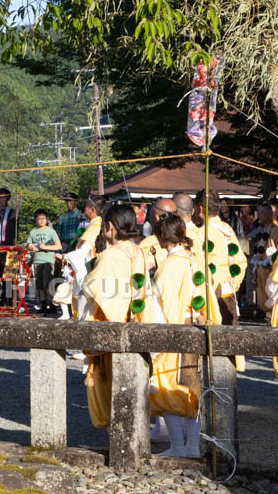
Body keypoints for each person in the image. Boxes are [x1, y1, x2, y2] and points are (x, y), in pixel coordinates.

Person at [82, 203, 156, 431]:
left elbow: (93, 289)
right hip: (136, 320)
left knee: (112, 388)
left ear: (110, 226)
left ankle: (121, 434)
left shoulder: (110, 255)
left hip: (113, 326)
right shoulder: (139, 252)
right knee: (132, 386)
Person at [150, 214, 219, 457]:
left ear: (162, 237)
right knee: (191, 390)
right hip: (195, 325)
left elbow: (161, 303)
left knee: (167, 387)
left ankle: (181, 446)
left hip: (175, 330)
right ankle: (191, 446)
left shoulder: (170, 265)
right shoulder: (193, 258)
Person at [194, 188, 248, 371]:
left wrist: (211, 290)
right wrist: (233, 283)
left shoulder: (203, 233)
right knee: (227, 350)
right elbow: (241, 262)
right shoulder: (227, 229)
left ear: (200, 208)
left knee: (215, 350)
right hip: (228, 292)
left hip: (213, 297)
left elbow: (207, 267)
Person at [56, 196, 105, 322]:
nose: (84, 210)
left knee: (86, 312)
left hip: (88, 271)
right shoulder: (95, 226)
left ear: (92, 210)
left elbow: (84, 252)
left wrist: (64, 256)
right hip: (91, 269)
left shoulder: (94, 228)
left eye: (86, 208)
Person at [25, 209, 62, 314]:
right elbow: (29, 245)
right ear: (35, 220)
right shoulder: (33, 232)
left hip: (48, 260)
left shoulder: (51, 231)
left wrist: (46, 247)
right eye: (38, 218)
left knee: (48, 284)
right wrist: (31, 247)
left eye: (43, 218)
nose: (41, 221)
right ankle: (43, 304)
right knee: (40, 285)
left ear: (46, 219)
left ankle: (53, 305)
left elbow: (58, 246)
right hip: (37, 261)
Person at [0, 188, 17, 300]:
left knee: (8, 271)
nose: (2, 199)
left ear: (8, 198)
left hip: (8, 245)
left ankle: (8, 298)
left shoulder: (12, 213)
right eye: (0, 197)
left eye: (4, 197)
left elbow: (15, 230)